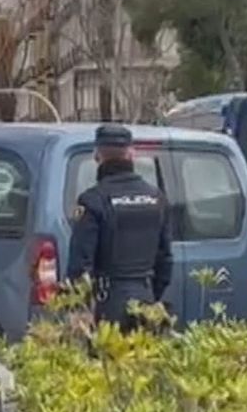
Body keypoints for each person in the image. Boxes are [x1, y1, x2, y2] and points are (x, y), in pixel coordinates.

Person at [67, 124, 173, 330]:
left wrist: (80, 309)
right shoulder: (157, 198)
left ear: (97, 156)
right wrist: (151, 295)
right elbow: (165, 261)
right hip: (146, 300)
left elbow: (80, 265)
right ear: (131, 154)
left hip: (108, 304)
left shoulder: (92, 201)